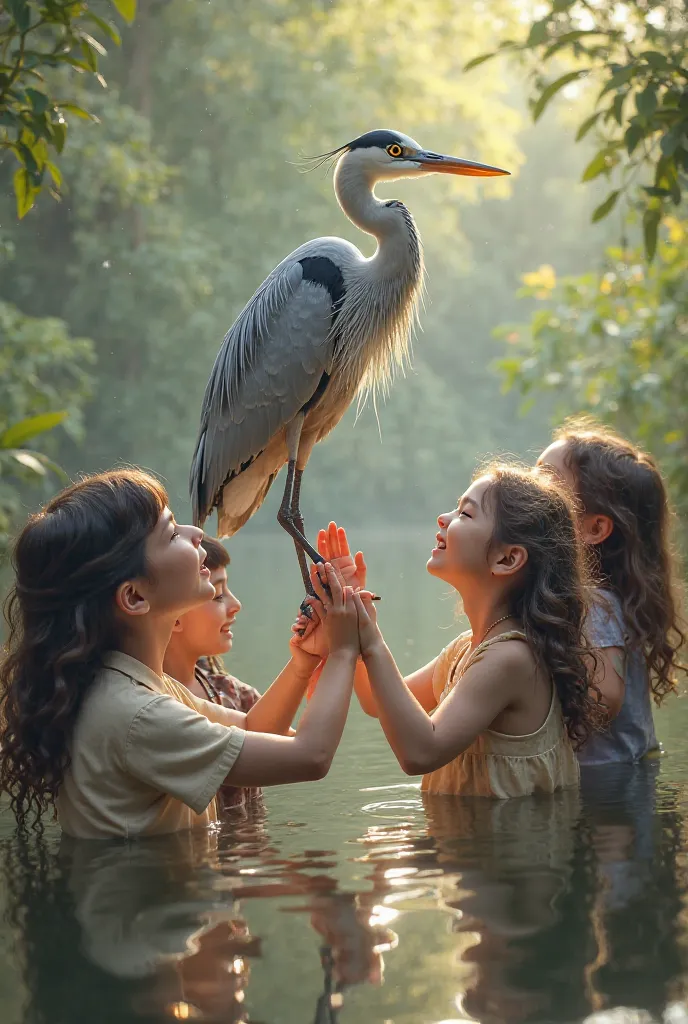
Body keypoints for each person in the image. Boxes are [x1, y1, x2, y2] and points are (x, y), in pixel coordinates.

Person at [0, 469, 362, 838]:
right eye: (172, 533)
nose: (196, 532)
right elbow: (311, 757)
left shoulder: (137, 688)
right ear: (135, 597)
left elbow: (253, 727)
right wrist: (344, 649)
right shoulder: (136, 714)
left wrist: (305, 662)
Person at [299, 464, 605, 798]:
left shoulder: (511, 657)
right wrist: (349, 611)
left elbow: (420, 752)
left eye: (465, 514)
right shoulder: (467, 649)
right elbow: (375, 701)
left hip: (508, 849)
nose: (443, 518)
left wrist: (370, 639)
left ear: (507, 559)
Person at [537, 417, 686, 766]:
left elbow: (605, 697)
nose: (528, 490)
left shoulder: (596, 602)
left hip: (614, 786)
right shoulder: (579, 600)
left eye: (545, 481)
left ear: (594, 528)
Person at [163, 533, 263, 807]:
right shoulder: (153, 712)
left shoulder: (234, 694)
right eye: (217, 594)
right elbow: (310, 754)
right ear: (174, 616)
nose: (235, 605)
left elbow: (299, 742)